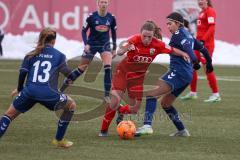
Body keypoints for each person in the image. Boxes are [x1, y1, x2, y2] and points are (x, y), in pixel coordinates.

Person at [98, 20, 191, 137]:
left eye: (149, 37)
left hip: (138, 78)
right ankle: (103, 131)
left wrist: (183, 53)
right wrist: (123, 50)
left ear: (153, 36)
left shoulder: (157, 44)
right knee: (115, 100)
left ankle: (120, 111)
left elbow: (172, 50)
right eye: (144, 36)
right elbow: (121, 50)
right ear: (140, 34)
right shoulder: (134, 40)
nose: (146, 39)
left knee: (134, 109)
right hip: (123, 73)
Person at [135, 12, 214, 137]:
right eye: (167, 24)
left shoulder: (179, 34)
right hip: (186, 76)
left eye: (170, 24)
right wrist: (209, 62)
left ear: (178, 23)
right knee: (165, 103)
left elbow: (188, 49)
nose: (168, 26)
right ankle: (182, 130)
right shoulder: (187, 34)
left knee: (151, 95)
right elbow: (202, 48)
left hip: (178, 73)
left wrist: (195, 62)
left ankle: (147, 126)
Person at [0, 28, 76, 148]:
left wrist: (20, 89)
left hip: (29, 92)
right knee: (71, 105)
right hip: (49, 94)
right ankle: (59, 140)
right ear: (54, 41)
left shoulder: (31, 54)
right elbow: (69, 74)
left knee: (8, 115)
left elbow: (22, 73)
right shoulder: (59, 56)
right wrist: (71, 77)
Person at [61, 0, 117, 101]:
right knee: (81, 69)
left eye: (105, 2)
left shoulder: (111, 18)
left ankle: (107, 95)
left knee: (108, 67)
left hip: (105, 46)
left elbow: (113, 33)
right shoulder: (91, 17)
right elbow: (83, 31)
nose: (103, 4)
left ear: (108, 4)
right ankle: (61, 90)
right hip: (91, 45)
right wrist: (86, 43)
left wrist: (114, 48)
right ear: (98, 3)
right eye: (101, 2)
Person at [181, 0, 221, 102]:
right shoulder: (201, 12)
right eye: (198, 0)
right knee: (191, 65)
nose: (200, 1)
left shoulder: (210, 11)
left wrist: (203, 40)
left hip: (206, 45)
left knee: (207, 68)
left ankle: (216, 94)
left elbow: (212, 27)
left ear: (207, 1)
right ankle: (193, 93)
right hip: (198, 44)